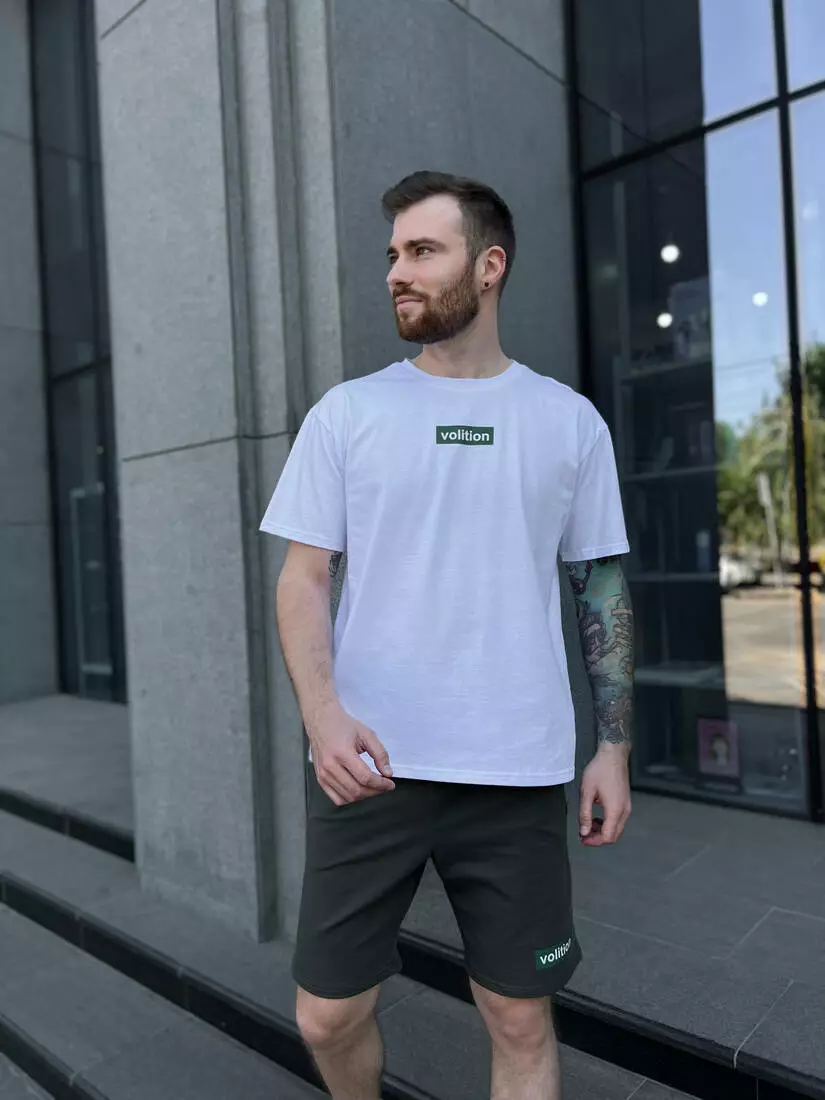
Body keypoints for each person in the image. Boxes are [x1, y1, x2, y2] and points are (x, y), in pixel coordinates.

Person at [259, 171, 634, 1100]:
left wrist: (612, 747)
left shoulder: (567, 421)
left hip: (515, 769)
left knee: (518, 1015)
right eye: (393, 254)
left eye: (422, 250)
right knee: (326, 1014)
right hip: (367, 764)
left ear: (489, 265)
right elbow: (303, 578)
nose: (396, 271)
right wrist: (322, 716)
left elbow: (599, 585)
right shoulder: (349, 413)